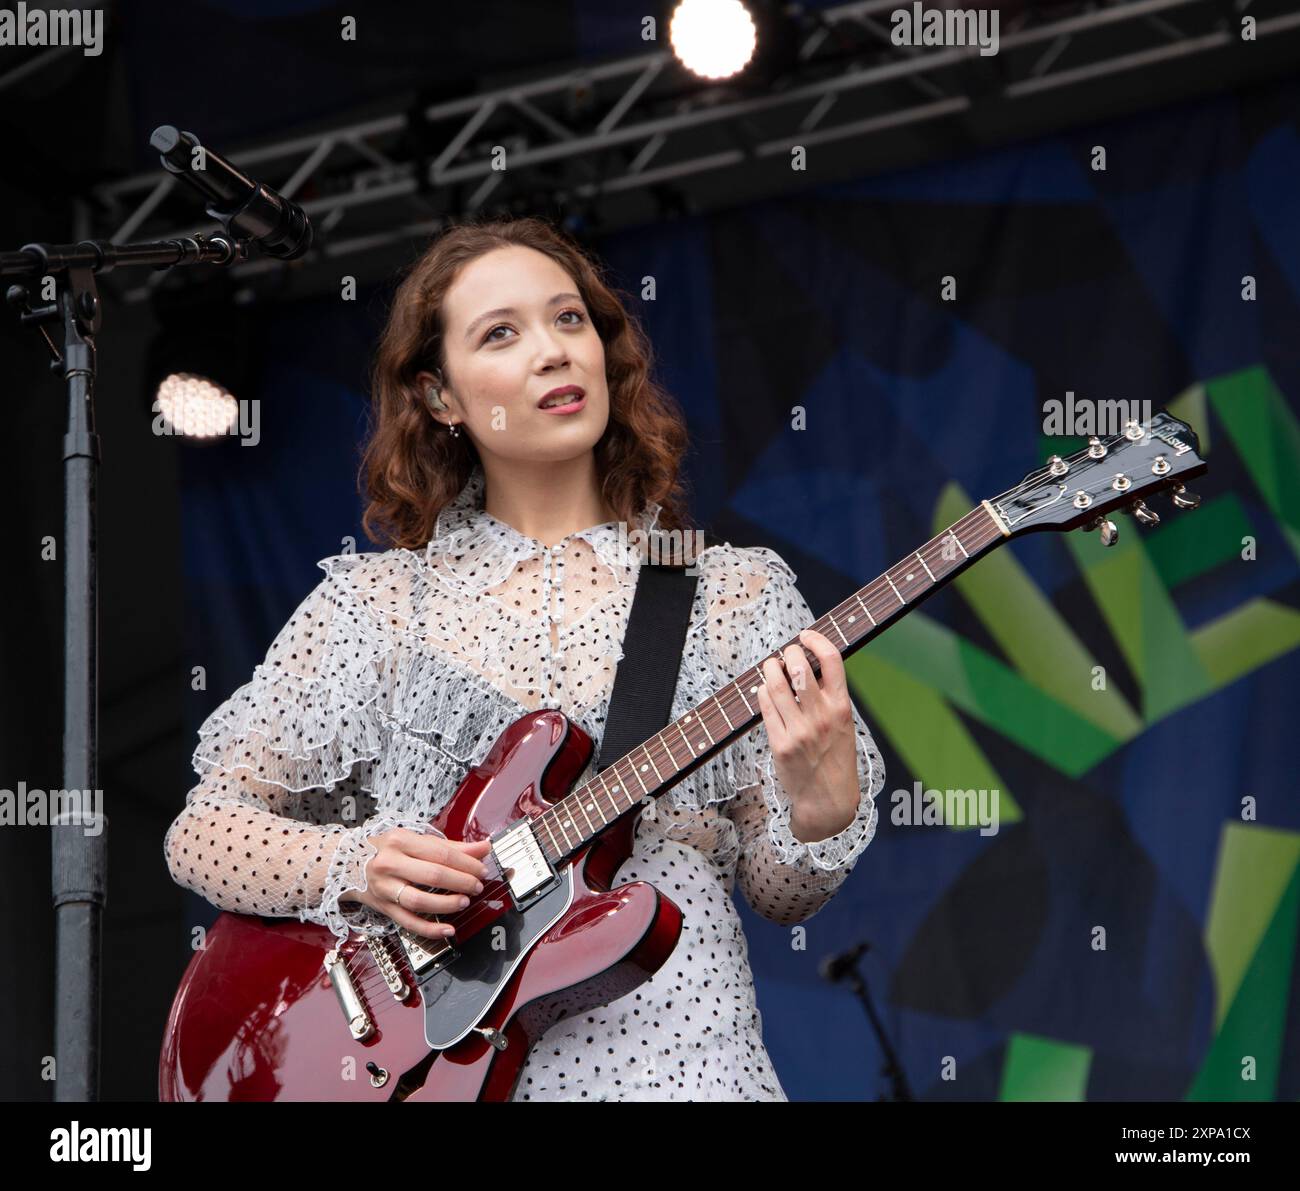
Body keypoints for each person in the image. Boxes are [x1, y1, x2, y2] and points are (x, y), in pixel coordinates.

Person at [163, 215, 884, 1101]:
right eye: (501, 333)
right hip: (436, 1077)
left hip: (689, 1069)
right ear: (440, 398)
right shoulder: (378, 605)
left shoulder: (728, 592)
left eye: (570, 319)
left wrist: (817, 806)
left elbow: (779, 894)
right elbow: (203, 832)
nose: (552, 352)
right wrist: (359, 863)